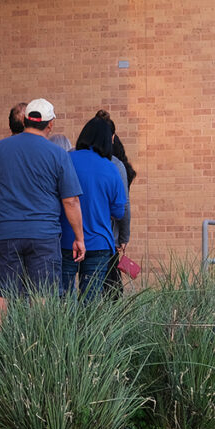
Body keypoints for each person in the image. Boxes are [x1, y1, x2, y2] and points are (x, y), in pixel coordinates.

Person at [0, 98, 84, 322]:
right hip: (44, 235)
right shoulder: (58, 154)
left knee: (1, 294)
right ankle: (37, 351)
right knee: (43, 295)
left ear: (26, 120)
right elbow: (71, 201)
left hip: (8, 232)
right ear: (50, 124)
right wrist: (79, 238)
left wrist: (1, 216)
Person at [60, 116, 127, 299]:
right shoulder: (112, 168)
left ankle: (65, 329)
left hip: (66, 240)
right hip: (99, 242)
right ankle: (87, 328)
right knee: (91, 299)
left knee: (64, 298)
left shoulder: (66, 160)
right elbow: (119, 211)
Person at [95, 109, 135, 298]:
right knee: (111, 288)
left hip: (78, 234)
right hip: (106, 235)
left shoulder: (74, 157)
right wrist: (123, 237)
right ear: (112, 137)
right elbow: (123, 205)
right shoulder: (116, 165)